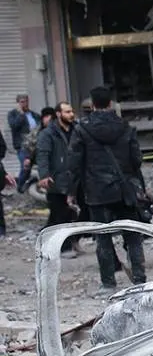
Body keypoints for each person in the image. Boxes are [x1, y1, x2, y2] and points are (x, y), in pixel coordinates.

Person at [65, 86, 147, 292]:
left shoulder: (82, 129)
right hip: (124, 190)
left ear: (92, 105)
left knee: (102, 238)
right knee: (133, 236)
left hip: (97, 191)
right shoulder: (125, 127)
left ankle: (108, 283)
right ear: (111, 104)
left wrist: (71, 192)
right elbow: (137, 160)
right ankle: (140, 280)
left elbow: (74, 163)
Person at [36, 101, 79, 255]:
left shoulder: (77, 130)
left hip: (74, 179)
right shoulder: (48, 133)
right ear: (59, 114)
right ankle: (65, 247)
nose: (71, 114)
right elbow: (42, 155)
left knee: (68, 214)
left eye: (71, 111)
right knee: (60, 213)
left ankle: (53, 240)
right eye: (67, 112)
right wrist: (44, 175)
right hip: (56, 179)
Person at [8, 93, 37, 192]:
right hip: (22, 146)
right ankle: (20, 187)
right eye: (22, 102)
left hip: (35, 145)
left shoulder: (34, 114)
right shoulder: (13, 114)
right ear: (18, 103)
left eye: (26, 101)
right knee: (26, 167)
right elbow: (14, 126)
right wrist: (20, 113)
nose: (25, 104)